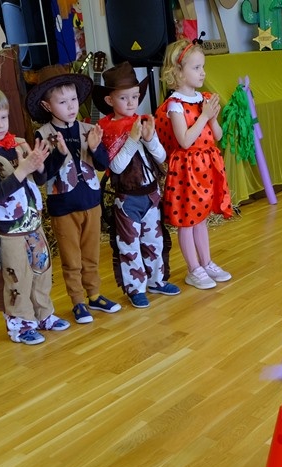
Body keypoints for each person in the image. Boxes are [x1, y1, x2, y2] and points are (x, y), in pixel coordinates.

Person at [0, 80, 70, 345]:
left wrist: (51, 159)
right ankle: (21, 324)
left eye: (4, 117)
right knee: (17, 276)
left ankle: (43, 314)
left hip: (33, 223)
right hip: (9, 230)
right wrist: (23, 168)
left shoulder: (19, 143)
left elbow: (40, 179)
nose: (0, 124)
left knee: (42, 270)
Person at [26, 64, 122, 324]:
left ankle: (94, 295)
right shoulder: (43, 135)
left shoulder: (88, 129)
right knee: (72, 258)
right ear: (47, 106)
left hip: (91, 201)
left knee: (92, 254)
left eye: (73, 100)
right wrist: (59, 155)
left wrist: (96, 148)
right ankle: (78, 301)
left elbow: (102, 165)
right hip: (63, 207)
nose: (70, 106)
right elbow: (41, 176)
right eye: (62, 102)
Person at [94, 62, 180, 309]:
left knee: (155, 240)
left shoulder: (143, 121)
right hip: (127, 199)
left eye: (134, 96)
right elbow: (116, 167)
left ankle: (156, 280)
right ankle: (135, 288)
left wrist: (150, 138)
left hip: (151, 195)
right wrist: (132, 139)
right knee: (129, 245)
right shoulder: (107, 129)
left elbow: (161, 157)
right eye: (123, 98)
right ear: (110, 100)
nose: (131, 102)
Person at [155, 39, 233, 291]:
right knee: (187, 221)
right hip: (186, 169)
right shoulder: (175, 105)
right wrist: (204, 116)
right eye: (197, 68)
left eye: (203, 67)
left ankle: (206, 262)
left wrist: (213, 118)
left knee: (201, 218)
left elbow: (218, 135)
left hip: (205, 166)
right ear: (178, 72)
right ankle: (193, 269)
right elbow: (185, 141)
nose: (203, 73)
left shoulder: (204, 99)